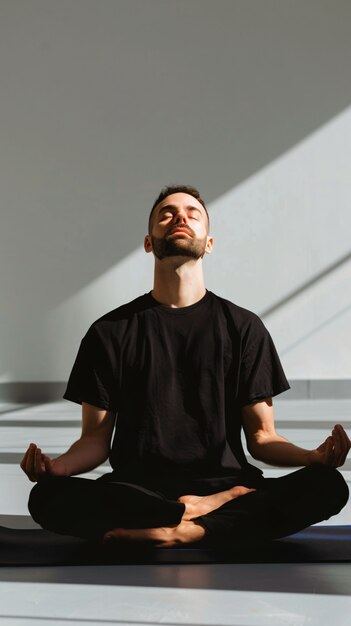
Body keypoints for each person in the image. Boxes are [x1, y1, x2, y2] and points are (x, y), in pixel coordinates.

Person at [21, 184, 350, 549]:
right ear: (149, 243)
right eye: (167, 213)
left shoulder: (244, 327)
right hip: (138, 488)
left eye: (192, 213)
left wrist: (313, 457)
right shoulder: (108, 332)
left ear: (208, 243)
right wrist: (58, 469)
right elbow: (95, 441)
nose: (180, 217)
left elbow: (262, 439)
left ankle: (185, 526)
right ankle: (201, 518)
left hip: (228, 484)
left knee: (327, 485)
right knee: (47, 497)